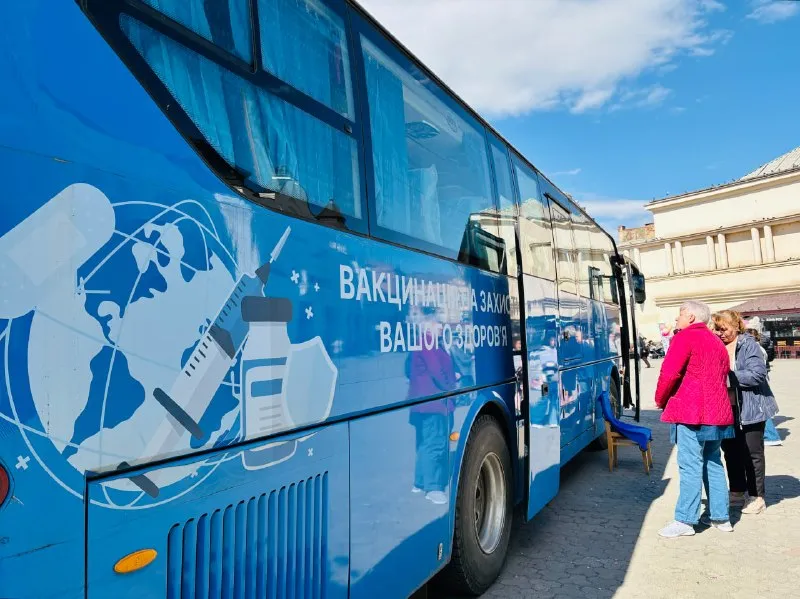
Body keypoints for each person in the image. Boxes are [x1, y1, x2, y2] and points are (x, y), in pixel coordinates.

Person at [655, 301, 734, 538]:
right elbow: (724, 372)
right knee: (713, 461)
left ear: (690, 316)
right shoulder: (716, 341)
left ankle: (685, 520)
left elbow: (669, 372)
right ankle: (721, 517)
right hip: (717, 412)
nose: (676, 319)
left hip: (691, 411)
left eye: (679, 314)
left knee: (690, 464)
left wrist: (660, 399)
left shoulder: (684, 337)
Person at [713, 310, 779, 515]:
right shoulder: (717, 345)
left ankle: (757, 496)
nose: (720, 333)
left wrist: (727, 377)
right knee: (730, 451)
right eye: (717, 329)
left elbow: (757, 374)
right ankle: (737, 491)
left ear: (736, 327)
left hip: (751, 407)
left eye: (724, 329)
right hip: (727, 408)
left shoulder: (748, 344)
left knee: (752, 453)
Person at [745, 327, 782, 447]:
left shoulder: (755, 348)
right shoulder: (759, 347)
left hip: (758, 382)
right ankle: (770, 436)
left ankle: (771, 436)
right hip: (762, 380)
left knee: (761, 409)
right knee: (762, 409)